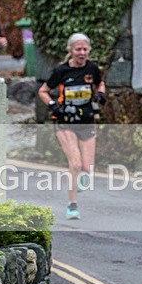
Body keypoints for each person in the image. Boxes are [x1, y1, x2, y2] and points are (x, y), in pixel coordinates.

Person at [37, 33, 106, 220]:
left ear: (89, 51)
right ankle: (72, 204)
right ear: (71, 51)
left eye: (85, 49)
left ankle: (79, 184)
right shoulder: (61, 70)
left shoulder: (92, 69)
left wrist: (100, 95)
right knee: (75, 164)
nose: (82, 53)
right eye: (78, 49)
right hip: (65, 121)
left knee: (87, 167)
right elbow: (43, 91)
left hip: (86, 120)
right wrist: (53, 105)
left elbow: (101, 85)